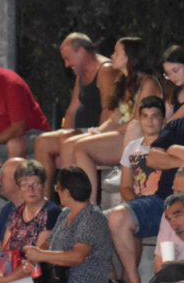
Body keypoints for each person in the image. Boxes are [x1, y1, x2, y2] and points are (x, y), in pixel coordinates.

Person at [64, 37, 163, 202]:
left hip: (136, 136)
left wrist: (107, 133)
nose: (112, 55)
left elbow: (137, 120)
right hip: (122, 133)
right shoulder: (124, 83)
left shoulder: (148, 82)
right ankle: (70, 202)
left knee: (81, 147)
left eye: (117, 52)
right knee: (70, 144)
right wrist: (98, 132)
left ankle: (89, 206)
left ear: (129, 57)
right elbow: (114, 118)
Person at [33, 33, 122, 194]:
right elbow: (73, 108)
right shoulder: (80, 74)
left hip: (98, 131)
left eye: (68, 58)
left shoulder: (105, 70)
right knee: (43, 141)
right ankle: (44, 200)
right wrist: (65, 131)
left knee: (67, 140)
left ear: (81, 51)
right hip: (82, 129)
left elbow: (108, 110)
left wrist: (94, 137)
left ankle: (70, 197)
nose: (66, 64)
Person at [106, 96, 168, 283]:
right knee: (92, 220)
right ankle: (113, 282)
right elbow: (125, 186)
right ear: (139, 119)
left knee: (119, 218)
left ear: (163, 120)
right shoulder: (132, 148)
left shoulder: (169, 145)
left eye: (155, 116)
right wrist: (134, 206)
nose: (149, 121)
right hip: (139, 202)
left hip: (159, 203)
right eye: (145, 116)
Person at [162, 44, 184, 121]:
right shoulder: (175, 91)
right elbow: (164, 118)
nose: (172, 77)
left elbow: (173, 123)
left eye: (175, 70)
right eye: (168, 74)